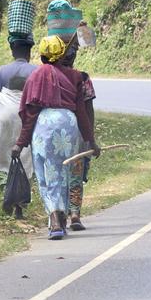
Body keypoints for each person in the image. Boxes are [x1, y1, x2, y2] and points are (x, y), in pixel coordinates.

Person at [12, 30, 100, 240]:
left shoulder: (36, 75)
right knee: (66, 172)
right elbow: (81, 111)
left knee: (46, 172)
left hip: (44, 126)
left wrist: (20, 143)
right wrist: (90, 140)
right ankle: (67, 216)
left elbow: (30, 112)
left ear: (42, 56)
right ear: (62, 54)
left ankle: (55, 221)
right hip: (68, 126)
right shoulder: (76, 76)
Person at [0, 33, 37, 218]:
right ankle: (19, 206)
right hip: (25, 120)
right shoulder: (35, 71)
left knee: (4, 158)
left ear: (13, 51)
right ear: (29, 52)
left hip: (4, 120)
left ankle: (7, 195)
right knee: (25, 159)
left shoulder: (2, 71)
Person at [60, 40, 96, 231]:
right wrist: (90, 138)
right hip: (78, 132)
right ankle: (74, 213)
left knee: (58, 174)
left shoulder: (48, 76)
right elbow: (88, 110)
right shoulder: (82, 78)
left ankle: (60, 215)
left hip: (54, 133)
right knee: (76, 173)